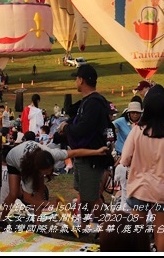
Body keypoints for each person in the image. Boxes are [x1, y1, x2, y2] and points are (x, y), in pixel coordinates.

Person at [121, 84, 164, 252]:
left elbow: (125, 159)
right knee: (162, 230)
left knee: (139, 230)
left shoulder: (137, 132)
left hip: (140, 188)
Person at [58, 64, 114, 229]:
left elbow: (82, 129)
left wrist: (65, 128)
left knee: (92, 197)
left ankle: (109, 229)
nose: (76, 81)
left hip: (91, 157)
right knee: (83, 193)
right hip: (84, 156)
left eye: (77, 78)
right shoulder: (90, 102)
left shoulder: (93, 103)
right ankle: (82, 224)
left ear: (81, 80)